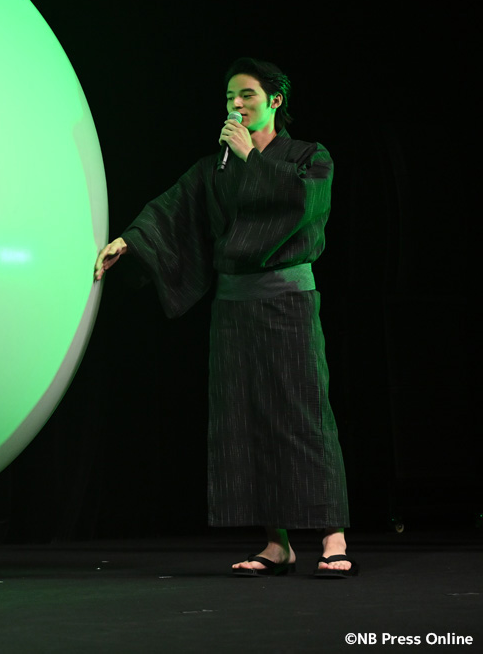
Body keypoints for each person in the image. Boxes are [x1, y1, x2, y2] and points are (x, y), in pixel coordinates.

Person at [93, 57, 356, 578]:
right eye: (230, 97)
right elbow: (173, 209)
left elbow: (298, 203)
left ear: (275, 100)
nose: (236, 105)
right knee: (246, 419)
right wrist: (129, 241)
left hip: (288, 303)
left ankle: (333, 538)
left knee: (303, 415)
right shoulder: (214, 167)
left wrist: (250, 159)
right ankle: (276, 543)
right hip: (234, 308)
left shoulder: (310, 157)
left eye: (247, 95)